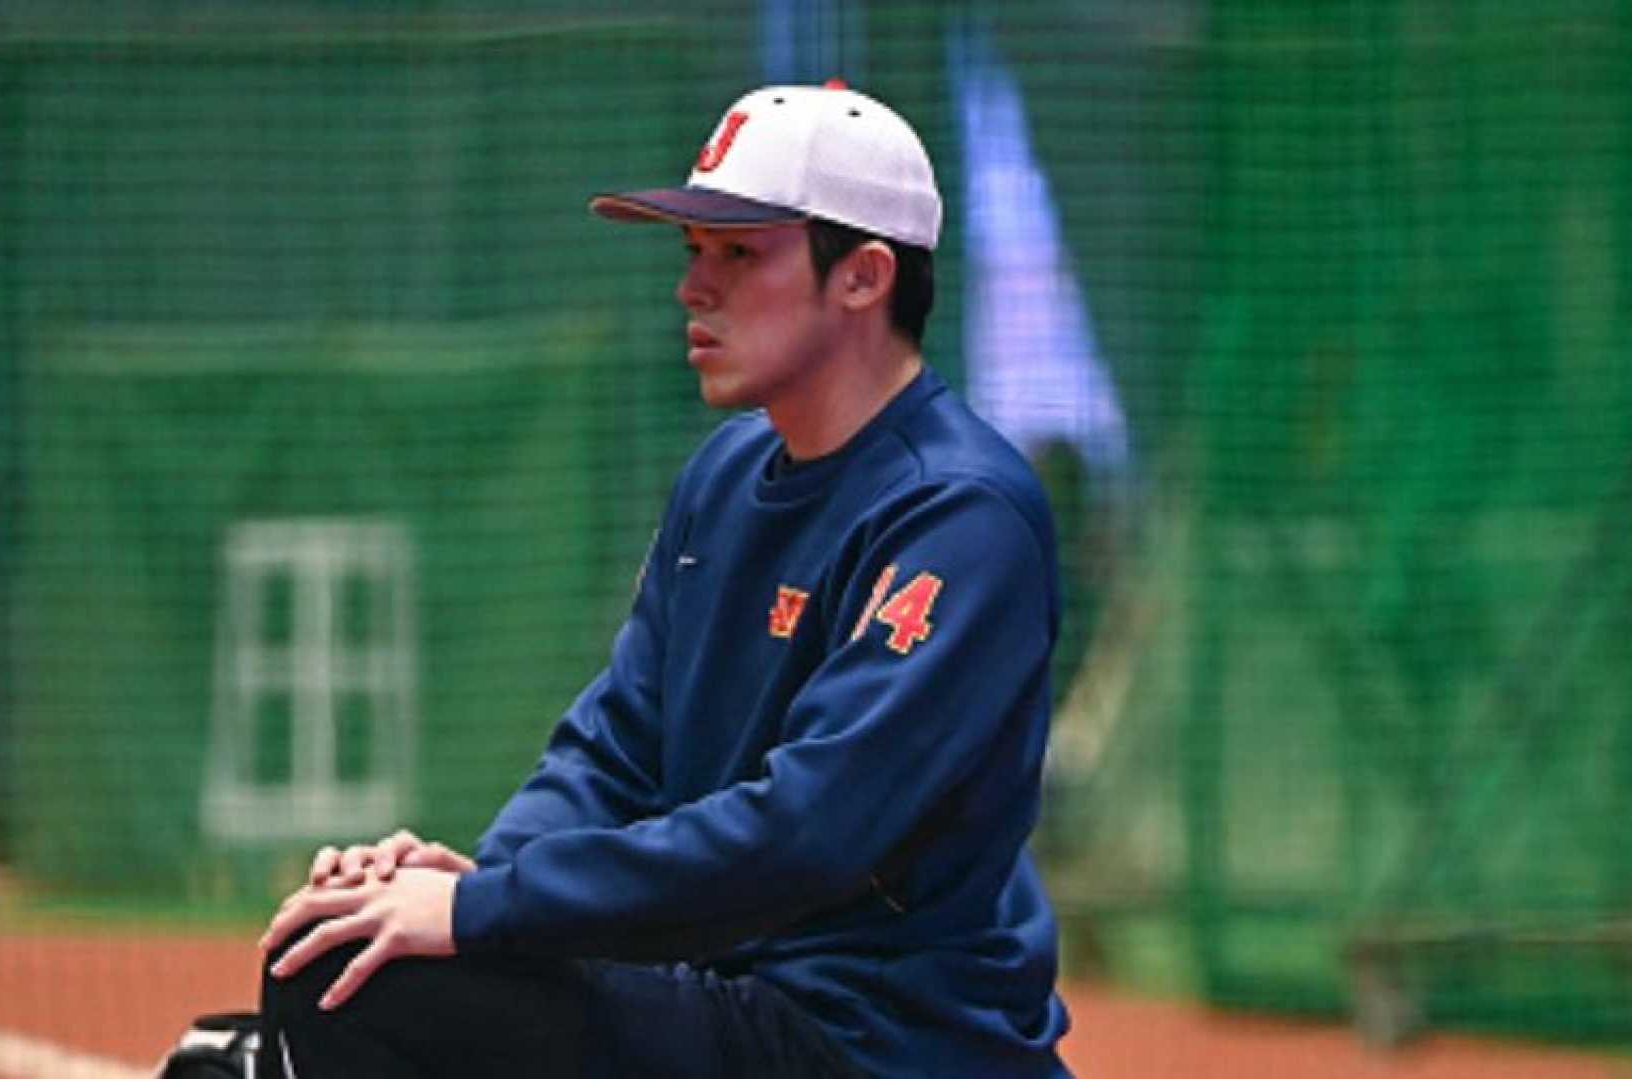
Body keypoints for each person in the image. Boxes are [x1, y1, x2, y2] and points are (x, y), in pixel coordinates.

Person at [257, 80, 1071, 1078]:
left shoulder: (959, 512)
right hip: (728, 1000)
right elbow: (618, 748)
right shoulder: (725, 475)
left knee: (372, 982)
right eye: (693, 252)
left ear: (863, 276)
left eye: (739, 253)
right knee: (339, 948)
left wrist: (487, 910)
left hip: (873, 1043)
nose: (693, 288)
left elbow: (808, 830)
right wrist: (481, 873)